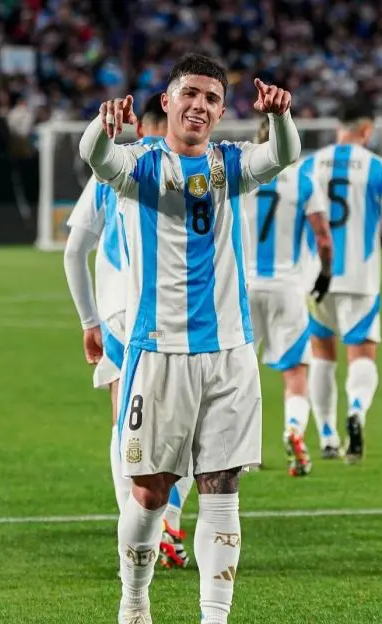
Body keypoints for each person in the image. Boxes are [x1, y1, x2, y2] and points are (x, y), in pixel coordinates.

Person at [79, 53, 300, 624]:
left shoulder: (230, 165)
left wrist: (279, 118)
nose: (199, 105)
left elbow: (284, 155)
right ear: (167, 101)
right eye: (189, 94)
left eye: (211, 98)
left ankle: (214, 617)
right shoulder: (139, 165)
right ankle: (134, 601)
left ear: (222, 111)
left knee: (220, 486)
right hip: (159, 352)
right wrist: (103, 128)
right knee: (150, 493)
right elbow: (94, 157)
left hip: (230, 351)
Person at [63, 93, 193, 569]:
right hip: (182, 317)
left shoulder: (112, 172)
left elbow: (74, 251)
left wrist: (89, 321)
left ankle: (137, 533)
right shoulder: (196, 172)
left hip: (121, 313)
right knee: (190, 426)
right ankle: (168, 523)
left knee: (127, 427)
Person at [302, 98, 382, 463]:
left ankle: (328, 435)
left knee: (322, 355)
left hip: (317, 276)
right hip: (361, 276)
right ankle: (357, 410)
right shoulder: (378, 167)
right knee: (362, 353)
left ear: (337, 129)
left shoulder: (311, 164)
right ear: (367, 131)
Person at [244, 118, 332, 476]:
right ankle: (294, 431)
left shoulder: (240, 176)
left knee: (241, 374)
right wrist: (325, 275)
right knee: (295, 370)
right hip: (288, 288)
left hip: (243, 288)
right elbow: (323, 238)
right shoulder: (303, 181)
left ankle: (246, 452)